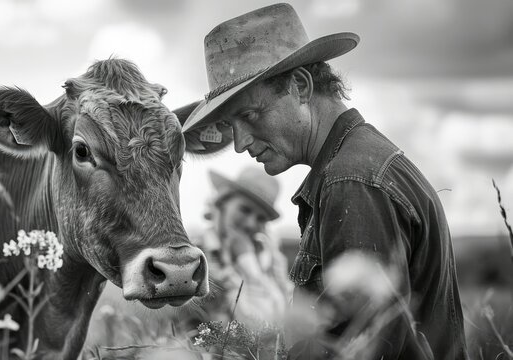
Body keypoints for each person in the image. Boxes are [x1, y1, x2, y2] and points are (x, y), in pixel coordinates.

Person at [179, 3, 467, 359]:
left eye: (249, 114)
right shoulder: (357, 165)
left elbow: (362, 347)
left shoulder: (351, 182)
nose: (238, 143)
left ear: (300, 85)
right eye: (228, 125)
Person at [194, 166, 291, 329]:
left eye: (261, 218)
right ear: (222, 203)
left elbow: (282, 317)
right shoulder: (197, 254)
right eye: (245, 210)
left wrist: (249, 263)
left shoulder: (269, 260)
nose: (250, 224)